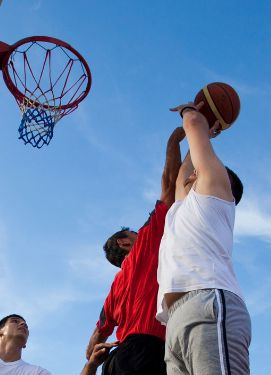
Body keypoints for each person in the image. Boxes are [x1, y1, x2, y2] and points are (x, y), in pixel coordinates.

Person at [156, 102, 248, 375]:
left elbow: (194, 123)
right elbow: (181, 177)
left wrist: (191, 112)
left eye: (199, 167)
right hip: (177, 317)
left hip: (208, 301)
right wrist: (199, 137)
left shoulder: (214, 193)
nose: (193, 170)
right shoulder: (183, 208)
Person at [84, 126, 186, 375]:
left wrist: (94, 359)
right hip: (149, 351)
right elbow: (170, 184)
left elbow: (92, 345)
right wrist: (177, 137)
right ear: (124, 243)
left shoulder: (114, 291)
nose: (139, 233)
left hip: (118, 360)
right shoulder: (144, 246)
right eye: (132, 233)